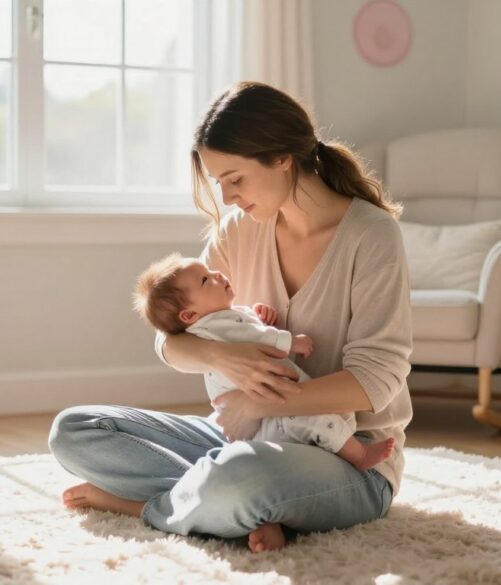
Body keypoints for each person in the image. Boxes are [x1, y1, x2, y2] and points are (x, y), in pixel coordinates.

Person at [49, 80, 413, 553]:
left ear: (282, 157)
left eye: (235, 179)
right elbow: (172, 341)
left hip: (350, 457)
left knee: (240, 478)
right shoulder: (241, 230)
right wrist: (225, 357)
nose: (227, 198)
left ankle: (148, 507)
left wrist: (265, 401)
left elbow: (376, 381)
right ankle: (230, 505)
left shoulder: (372, 236)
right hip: (249, 434)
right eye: (219, 182)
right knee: (75, 430)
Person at [131, 252, 396, 471]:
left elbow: (250, 330)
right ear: (189, 315)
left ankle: (252, 500)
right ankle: (358, 455)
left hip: (255, 418)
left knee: (258, 471)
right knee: (315, 419)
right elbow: (254, 337)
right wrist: (292, 342)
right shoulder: (215, 325)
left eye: (211, 271)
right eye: (205, 280)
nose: (217, 275)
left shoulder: (220, 319)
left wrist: (261, 317)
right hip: (266, 419)